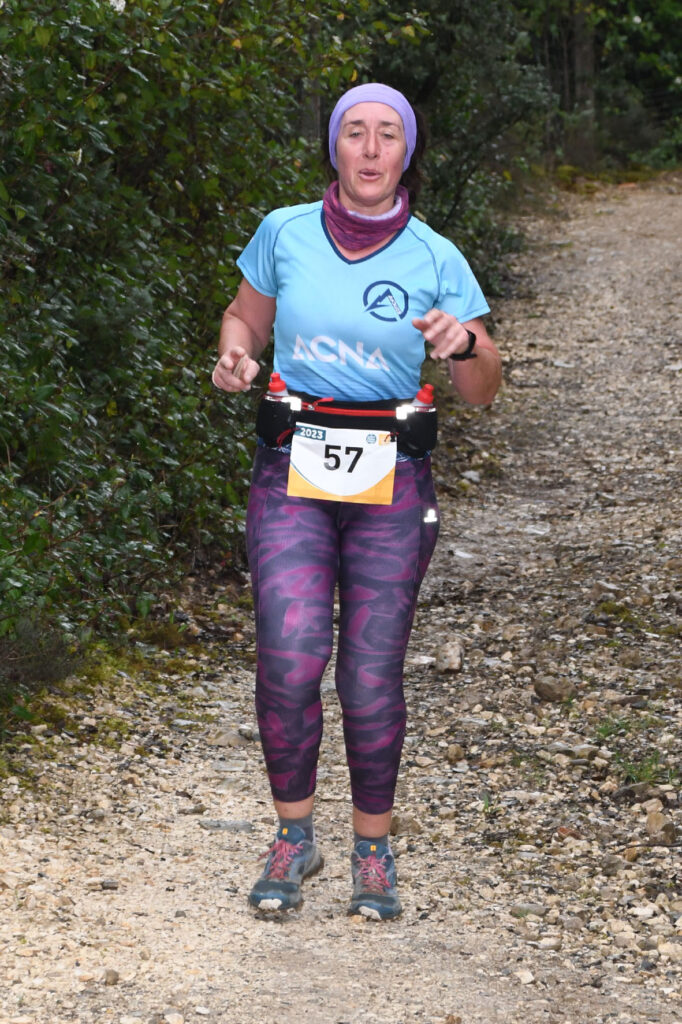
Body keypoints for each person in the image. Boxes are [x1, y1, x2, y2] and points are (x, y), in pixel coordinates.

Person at [212, 82, 501, 920]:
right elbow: (243, 319)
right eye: (355, 133)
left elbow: (484, 387)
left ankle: (373, 852)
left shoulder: (437, 257)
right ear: (334, 146)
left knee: (370, 674)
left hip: (392, 477)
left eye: (387, 136)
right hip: (291, 467)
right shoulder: (285, 232)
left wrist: (465, 343)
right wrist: (235, 356)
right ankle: (293, 837)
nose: (371, 150)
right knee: (290, 656)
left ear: (408, 153)